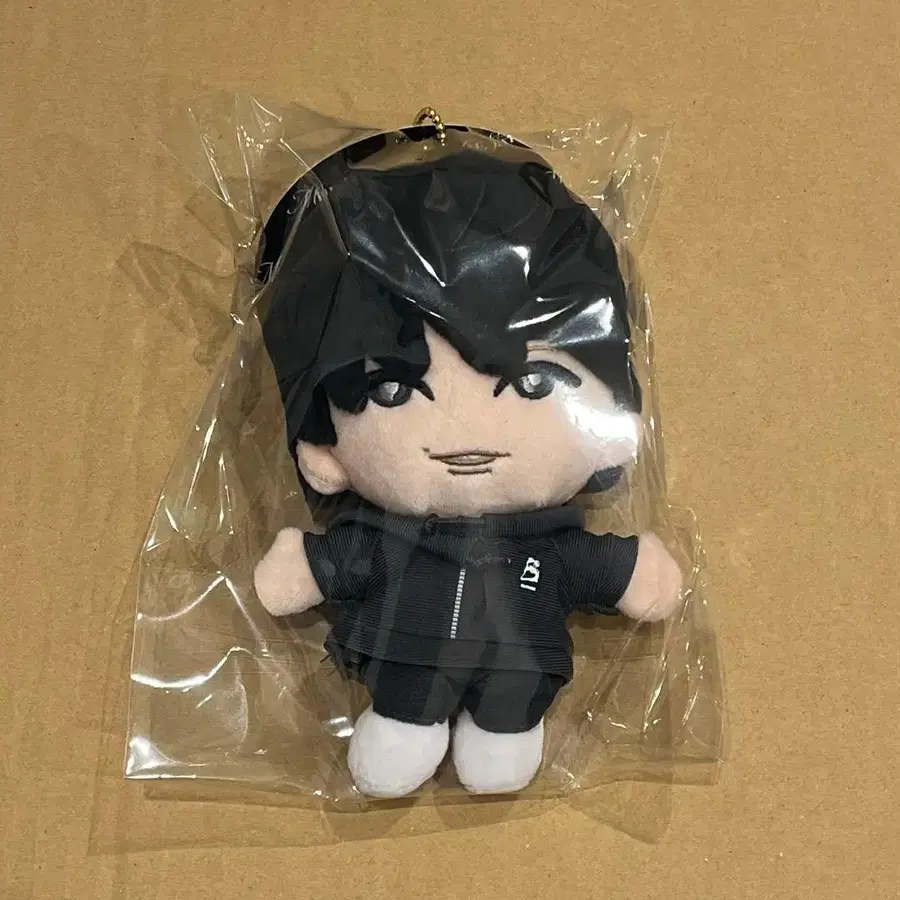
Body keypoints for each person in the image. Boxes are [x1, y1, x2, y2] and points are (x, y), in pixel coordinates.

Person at [253, 125, 683, 797]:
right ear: (325, 449)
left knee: (509, 714)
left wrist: (634, 571)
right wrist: (306, 565)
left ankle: (501, 731)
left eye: (531, 385)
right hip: (406, 660)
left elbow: (601, 567)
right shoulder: (386, 537)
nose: (467, 432)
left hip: (519, 670)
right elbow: (345, 558)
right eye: (393, 391)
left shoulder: (551, 545)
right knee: (406, 709)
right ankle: (406, 724)